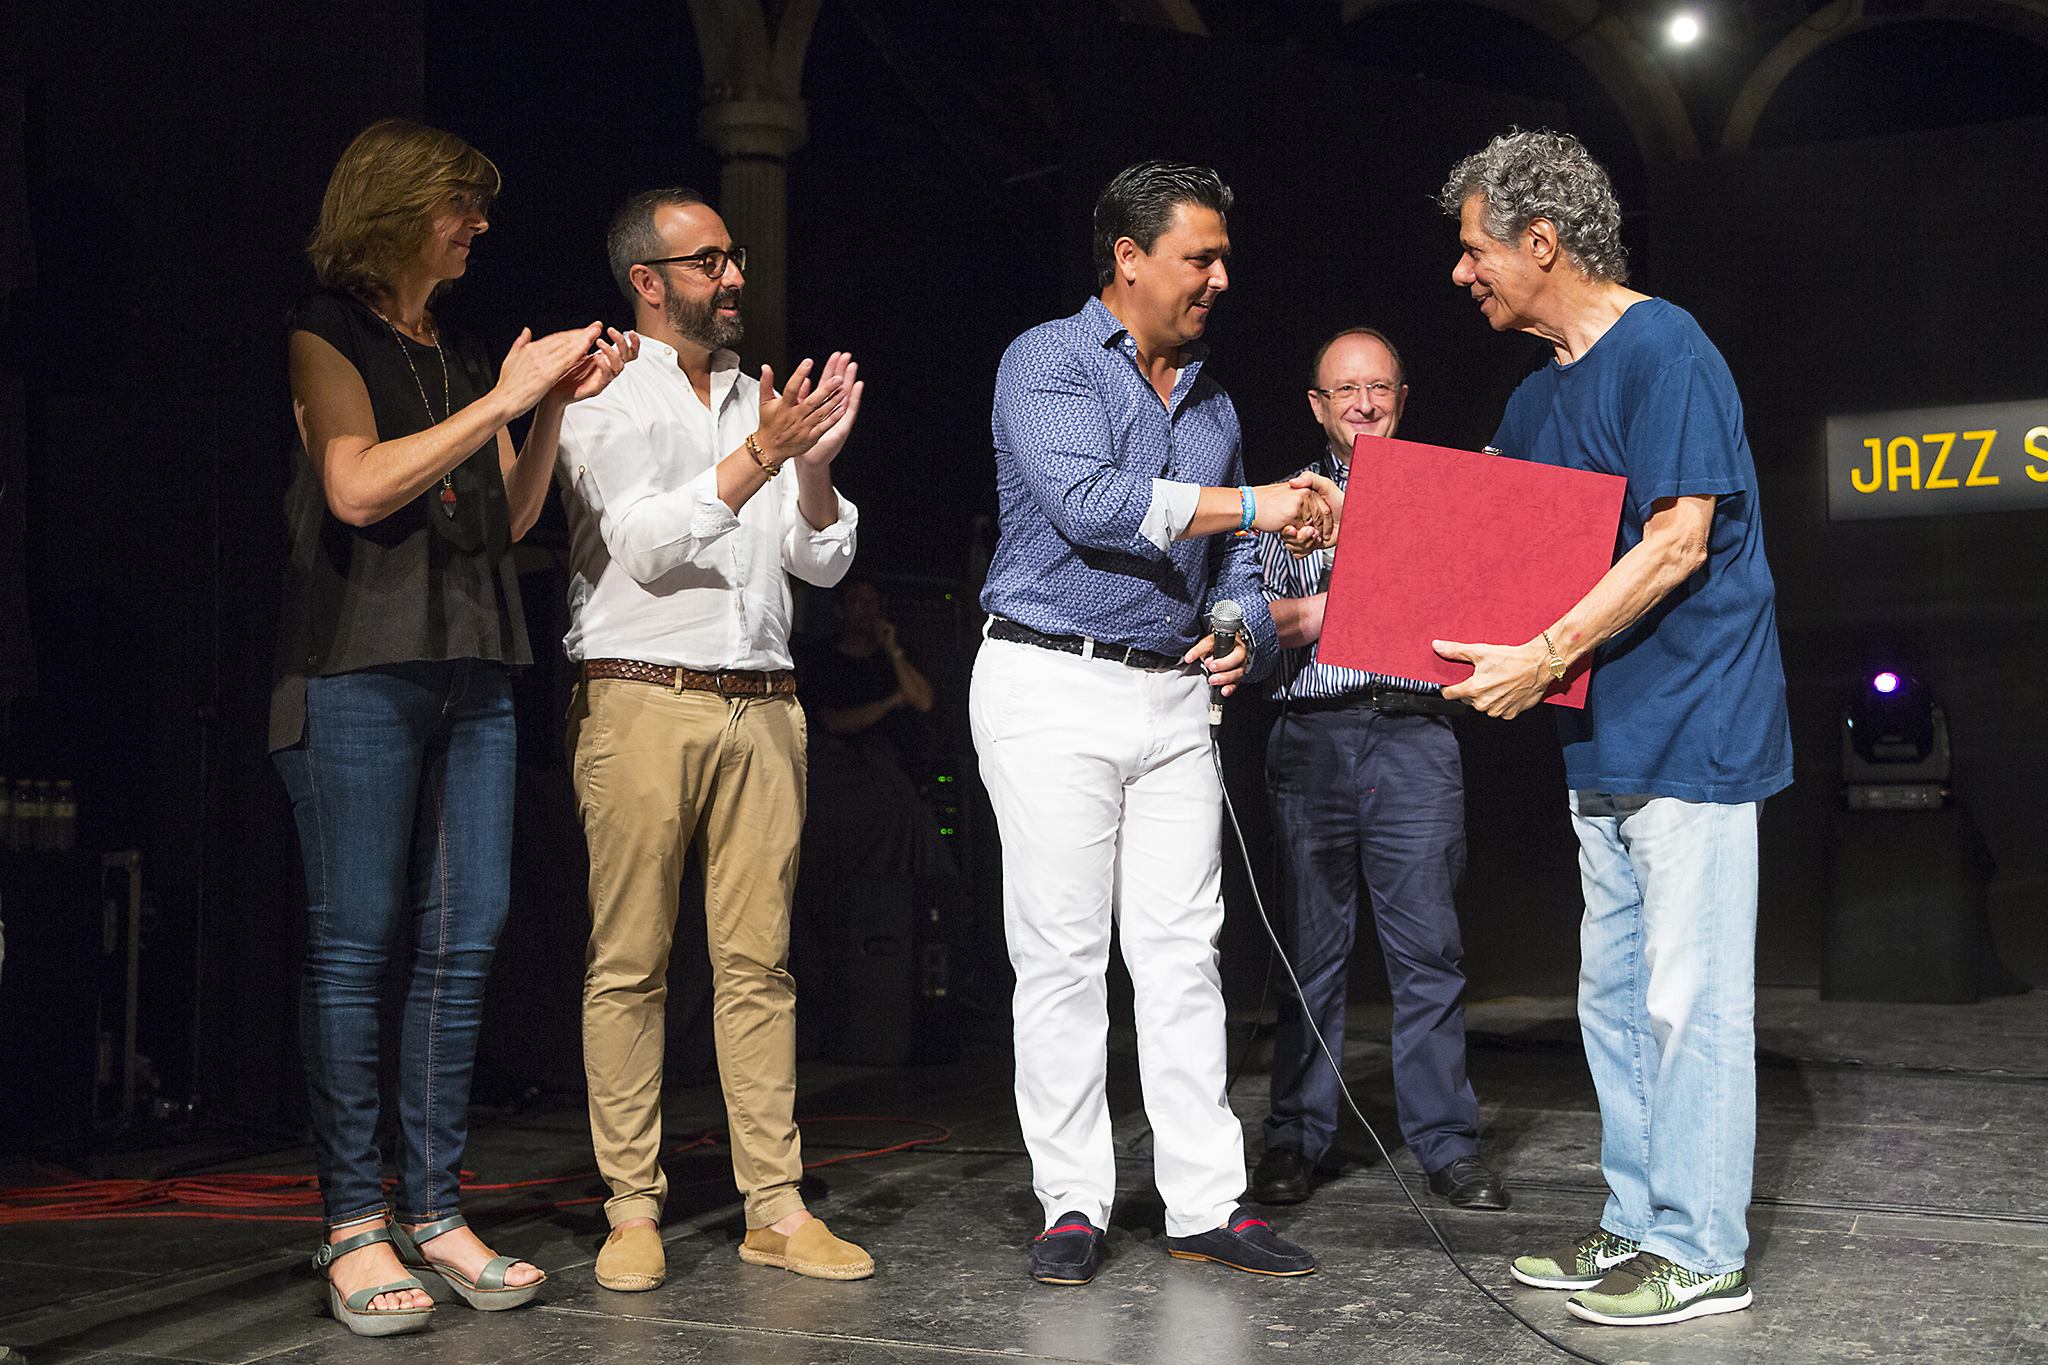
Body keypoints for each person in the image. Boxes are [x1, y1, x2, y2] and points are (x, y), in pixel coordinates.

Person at [274, 118, 633, 1336]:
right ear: (394, 208)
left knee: (463, 938)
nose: (478, 226)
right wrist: (505, 398)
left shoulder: (466, 349)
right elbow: (355, 484)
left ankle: (433, 1212)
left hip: (474, 662)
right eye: (457, 206)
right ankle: (352, 1225)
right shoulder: (325, 330)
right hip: (356, 670)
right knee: (355, 946)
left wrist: (547, 409)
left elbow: (512, 519)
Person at [1432, 130, 1792, 1327]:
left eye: (1474, 248)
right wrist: (1348, 529)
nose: (1460, 271)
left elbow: (1677, 541)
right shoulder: (1536, 394)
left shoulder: (1664, 349)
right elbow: (1482, 540)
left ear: (1541, 241)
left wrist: (1541, 656)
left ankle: (1701, 1248)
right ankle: (1638, 1221)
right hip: (1599, 736)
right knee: (1615, 999)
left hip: (1694, 724)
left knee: (1688, 999)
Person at [970, 159, 1335, 1287]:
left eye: (1223, 259)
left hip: (1172, 695)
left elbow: (1232, 562)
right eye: (1199, 258)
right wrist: (1260, 504)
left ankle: (1204, 1202)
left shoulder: (1214, 403)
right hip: (1051, 680)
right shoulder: (1047, 359)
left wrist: (1238, 622)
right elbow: (1089, 505)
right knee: (1063, 955)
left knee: (1183, 954)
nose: (1220, 278)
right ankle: (1072, 1203)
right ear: (1129, 259)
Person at [557, 187, 872, 1292]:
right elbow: (643, 545)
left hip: (764, 701)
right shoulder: (600, 389)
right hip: (642, 695)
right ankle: (631, 1209)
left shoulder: (756, 396)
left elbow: (820, 561)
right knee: (631, 964)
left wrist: (811, 462)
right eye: (707, 262)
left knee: (759, 968)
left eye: (734, 258)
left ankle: (774, 1207)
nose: (733, 277)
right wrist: (762, 455)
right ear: (646, 281)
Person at [1249, 328, 1508, 1213]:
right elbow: (1266, 622)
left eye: (1380, 388)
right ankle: (1295, 1136)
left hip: (1414, 736)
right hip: (1312, 736)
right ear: (1317, 406)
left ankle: (1447, 1144)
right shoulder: (1285, 502)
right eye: (1344, 391)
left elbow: (1483, 597)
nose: (1363, 403)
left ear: (1402, 397)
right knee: (1308, 953)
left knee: (1430, 951)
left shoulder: (1447, 493)